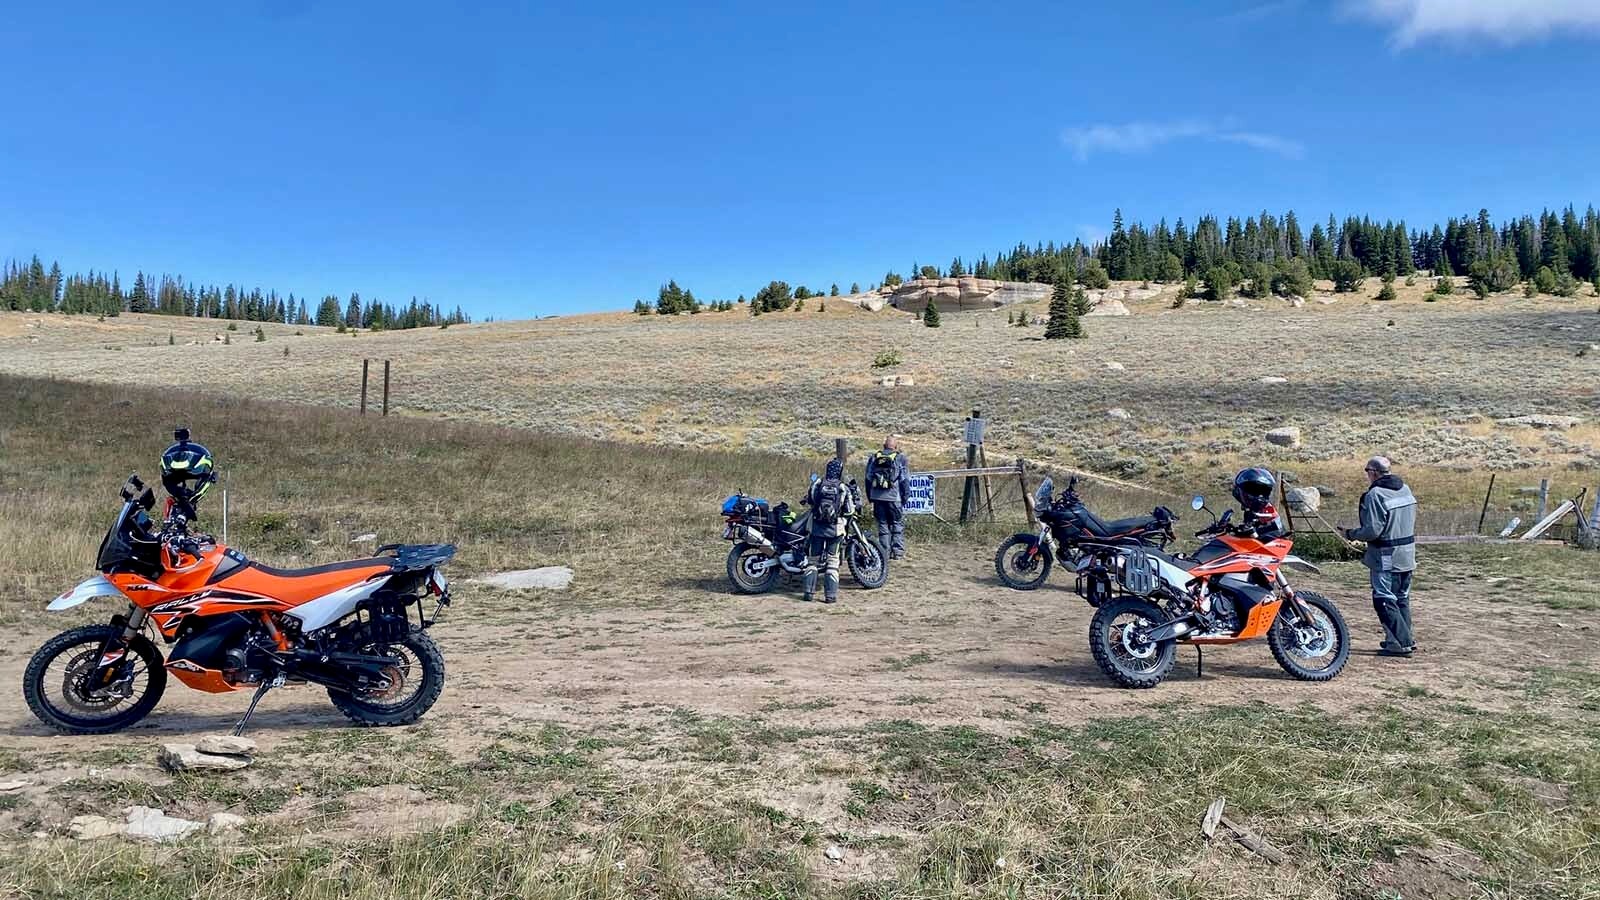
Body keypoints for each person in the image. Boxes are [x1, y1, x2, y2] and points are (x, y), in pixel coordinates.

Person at [1343, 456, 1418, 657]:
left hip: (1386, 556)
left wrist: (1351, 534)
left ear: (1374, 473)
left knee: (1384, 598)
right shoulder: (1405, 488)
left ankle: (1401, 643)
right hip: (1408, 554)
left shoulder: (1375, 494)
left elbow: (1373, 530)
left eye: (1367, 471)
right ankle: (1403, 638)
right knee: (1401, 598)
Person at [801, 458, 859, 604]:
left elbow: (811, 500)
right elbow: (850, 510)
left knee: (812, 561)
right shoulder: (842, 488)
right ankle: (830, 596)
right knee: (833, 562)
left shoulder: (818, 483)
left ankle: (808, 592)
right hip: (835, 530)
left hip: (816, 528)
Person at [864, 434, 911, 559]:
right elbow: (904, 480)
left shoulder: (874, 457)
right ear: (896, 447)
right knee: (897, 524)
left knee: (882, 524)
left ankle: (884, 552)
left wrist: (870, 496)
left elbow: (868, 479)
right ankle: (897, 553)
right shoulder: (900, 458)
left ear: (884, 446)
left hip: (877, 497)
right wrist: (905, 496)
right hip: (894, 497)